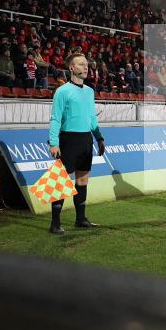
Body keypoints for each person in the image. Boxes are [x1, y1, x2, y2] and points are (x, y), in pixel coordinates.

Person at [47, 53, 105, 234]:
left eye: (86, 64)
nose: (86, 67)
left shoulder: (89, 91)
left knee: (82, 180)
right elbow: (55, 119)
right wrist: (54, 143)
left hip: (86, 139)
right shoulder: (62, 91)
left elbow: (91, 118)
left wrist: (99, 138)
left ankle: (80, 219)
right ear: (71, 68)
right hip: (68, 140)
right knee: (61, 182)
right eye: (81, 64)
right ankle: (55, 224)